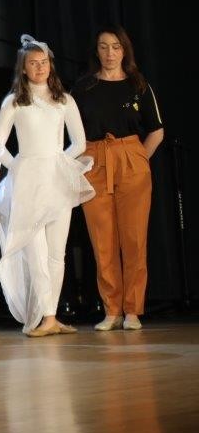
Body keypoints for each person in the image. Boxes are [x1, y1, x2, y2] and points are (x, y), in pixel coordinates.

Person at [0, 35, 94, 336]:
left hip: (56, 181)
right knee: (35, 252)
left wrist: (57, 162)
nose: (39, 68)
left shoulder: (64, 100)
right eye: (33, 63)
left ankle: (51, 316)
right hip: (28, 183)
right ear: (23, 68)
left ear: (50, 64)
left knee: (56, 253)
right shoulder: (14, 102)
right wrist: (18, 167)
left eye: (43, 62)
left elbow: (80, 142)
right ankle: (44, 316)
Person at [72, 26, 163, 331]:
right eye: (103, 46)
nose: (110, 53)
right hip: (95, 160)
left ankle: (132, 310)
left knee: (134, 239)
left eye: (115, 47)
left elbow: (157, 130)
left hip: (130, 158)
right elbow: (72, 132)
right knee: (102, 240)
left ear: (125, 50)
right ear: (96, 51)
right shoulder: (83, 88)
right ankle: (111, 310)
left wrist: (137, 160)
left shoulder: (139, 85)